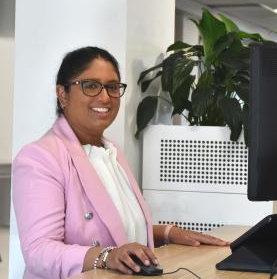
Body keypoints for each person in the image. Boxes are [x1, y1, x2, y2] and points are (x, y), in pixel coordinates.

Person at [12, 46, 229, 279]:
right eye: (91, 86)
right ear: (63, 94)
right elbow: (39, 252)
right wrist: (106, 256)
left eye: (112, 87)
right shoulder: (39, 158)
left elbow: (116, 232)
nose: (105, 97)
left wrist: (168, 232)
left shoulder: (111, 152)